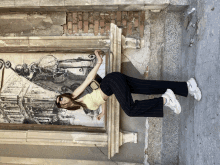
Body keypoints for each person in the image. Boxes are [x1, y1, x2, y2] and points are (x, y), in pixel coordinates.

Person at [55, 50, 202, 120]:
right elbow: (100, 98)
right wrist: (103, 112)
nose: (62, 102)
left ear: (64, 96)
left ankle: (166, 99)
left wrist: (99, 62)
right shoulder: (81, 106)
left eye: (60, 99)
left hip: (111, 82)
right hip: (112, 85)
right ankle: (188, 86)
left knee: (130, 110)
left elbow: (88, 80)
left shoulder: (75, 95)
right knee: (149, 87)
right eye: (60, 104)